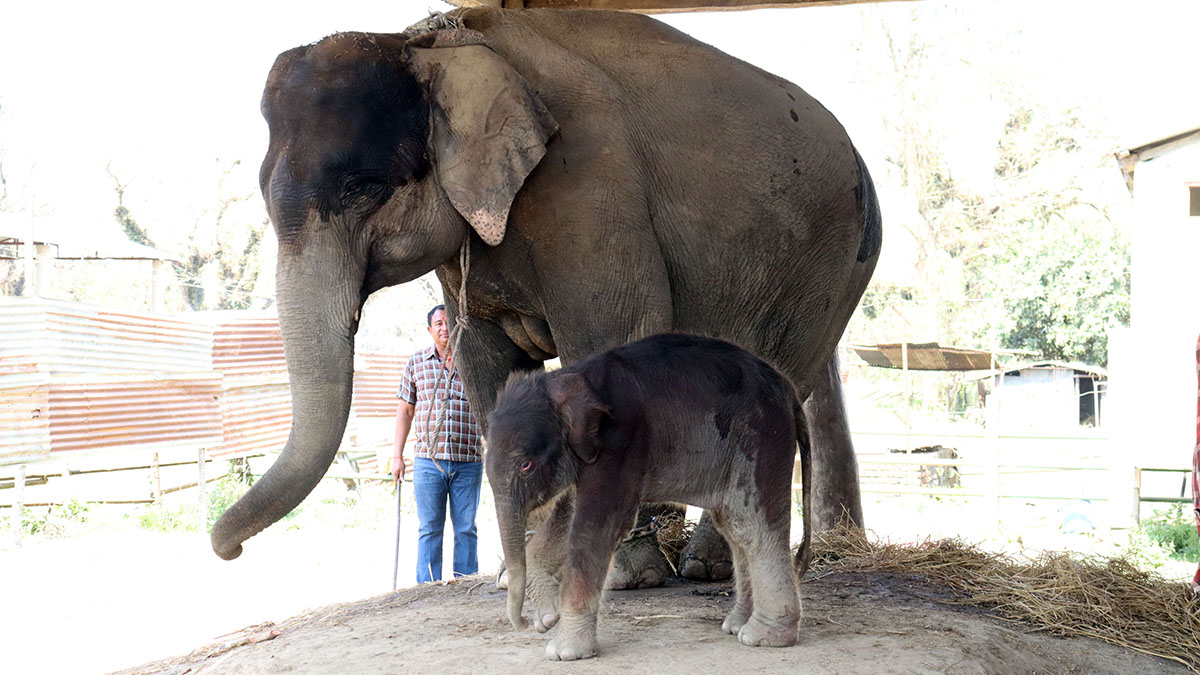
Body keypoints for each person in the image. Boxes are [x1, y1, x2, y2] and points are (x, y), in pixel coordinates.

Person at [393, 305, 484, 583]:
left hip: (469, 461)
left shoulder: (474, 363)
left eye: (449, 323)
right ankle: (428, 587)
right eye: (439, 323)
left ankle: (466, 584)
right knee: (430, 528)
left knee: (466, 528)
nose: (445, 328)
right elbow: (405, 411)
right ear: (430, 329)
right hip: (428, 462)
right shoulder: (417, 362)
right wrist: (396, 456)